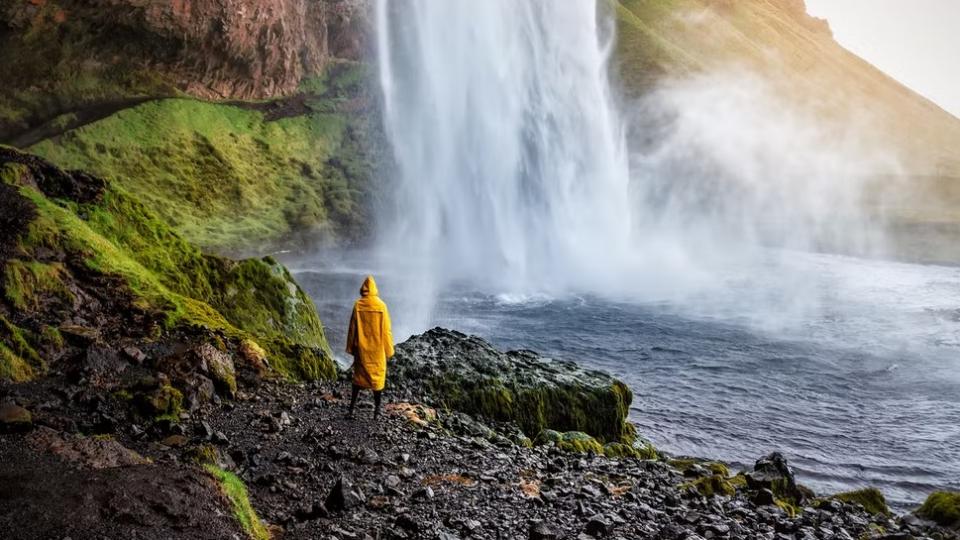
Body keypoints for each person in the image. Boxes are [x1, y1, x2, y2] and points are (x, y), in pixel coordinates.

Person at [345, 275, 395, 419]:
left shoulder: (358, 305)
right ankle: (377, 411)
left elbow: (352, 329)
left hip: (362, 350)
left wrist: (351, 348)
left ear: (363, 289)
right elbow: (386, 330)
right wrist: (389, 350)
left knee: (358, 380)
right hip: (377, 351)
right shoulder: (382, 306)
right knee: (377, 382)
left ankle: (351, 409)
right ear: (375, 289)